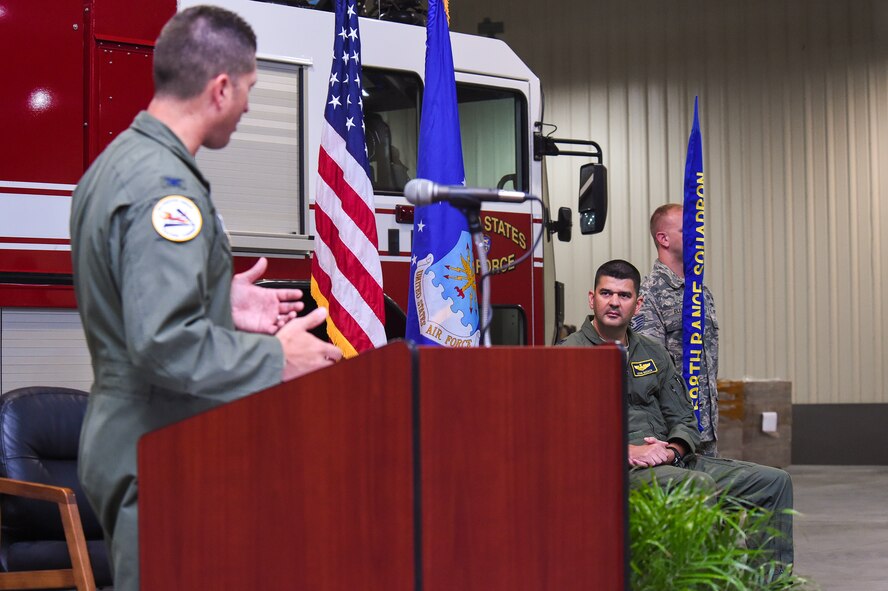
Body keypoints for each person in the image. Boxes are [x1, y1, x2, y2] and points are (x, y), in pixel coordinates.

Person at [69, 7, 343, 590]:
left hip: (143, 436)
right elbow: (162, 342)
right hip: (157, 447)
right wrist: (278, 359)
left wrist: (222, 303)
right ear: (220, 88)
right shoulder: (163, 189)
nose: (247, 107)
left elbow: (136, 301)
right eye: (247, 91)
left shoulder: (121, 163)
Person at [559, 259, 793, 568]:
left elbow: (684, 420)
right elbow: (561, 437)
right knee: (696, 485)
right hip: (614, 470)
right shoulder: (567, 354)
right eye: (606, 293)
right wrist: (627, 450)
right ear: (592, 298)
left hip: (670, 461)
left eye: (624, 295)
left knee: (774, 482)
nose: (614, 302)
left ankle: (771, 586)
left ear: (638, 303)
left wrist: (671, 450)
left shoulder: (653, 353)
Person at [633, 203, 720, 457]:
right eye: (688, 229)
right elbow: (650, 371)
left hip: (706, 428)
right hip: (672, 434)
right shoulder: (649, 294)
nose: (697, 234)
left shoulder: (700, 292)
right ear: (663, 238)